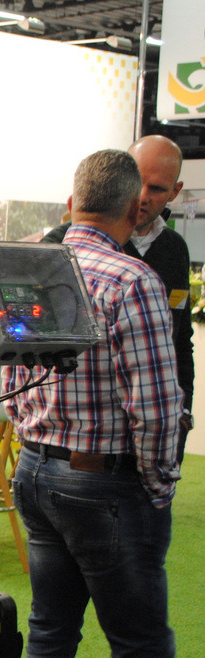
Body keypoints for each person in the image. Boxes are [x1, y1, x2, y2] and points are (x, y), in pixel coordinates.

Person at [3, 149, 205, 658]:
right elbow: (157, 408)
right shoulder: (133, 279)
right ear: (130, 207)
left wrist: (37, 436)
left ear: (73, 201)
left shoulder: (32, 265)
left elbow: (14, 379)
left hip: (36, 469)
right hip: (104, 484)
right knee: (141, 652)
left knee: (50, 634)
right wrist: (157, 485)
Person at [128, 134, 194, 466]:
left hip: (160, 431)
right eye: (137, 181)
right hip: (95, 434)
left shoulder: (175, 248)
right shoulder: (85, 241)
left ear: (175, 192)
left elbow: (180, 340)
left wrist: (183, 414)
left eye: (156, 188)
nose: (142, 196)